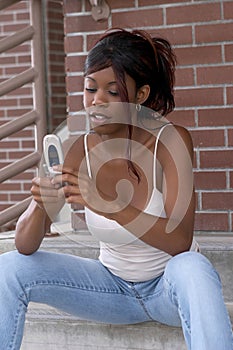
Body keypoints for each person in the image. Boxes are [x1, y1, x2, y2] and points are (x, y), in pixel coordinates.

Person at [0, 28, 232, 350]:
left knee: (193, 267)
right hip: (111, 289)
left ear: (141, 95)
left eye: (112, 91)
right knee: (7, 268)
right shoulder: (78, 151)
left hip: (167, 289)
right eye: (90, 89)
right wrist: (40, 205)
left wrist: (107, 204)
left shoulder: (169, 140)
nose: (96, 101)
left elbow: (180, 241)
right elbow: (26, 246)